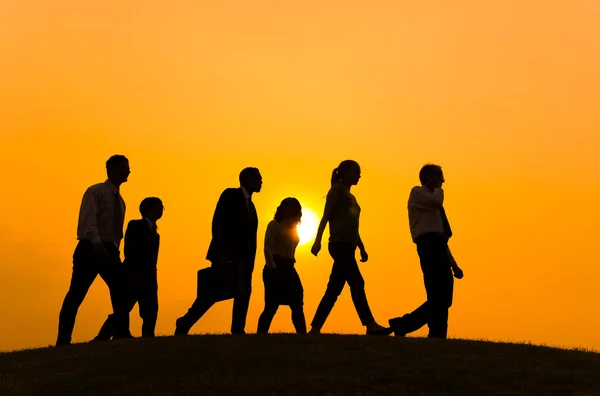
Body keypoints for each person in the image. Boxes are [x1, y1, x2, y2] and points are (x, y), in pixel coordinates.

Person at [175, 167, 262, 335]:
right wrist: (221, 253)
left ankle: (237, 329)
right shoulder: (231, 195)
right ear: (246, 179)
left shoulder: (251, 205)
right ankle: (186, 321)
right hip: (227, 255)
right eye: (258, 178)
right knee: (212, 293)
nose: (261, 182)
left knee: (243, 292)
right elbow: (218, 223)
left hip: (244, 259)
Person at [56, 155, 132, 346]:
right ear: (112, 170)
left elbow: (116, 231)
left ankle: (121, 332)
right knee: (76, 293)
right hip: (91, 247)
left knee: (121, 289)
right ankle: (63, 340)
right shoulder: (95, 191)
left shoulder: (120, 201)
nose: (128, 172)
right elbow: (89, 219)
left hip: (109, 247)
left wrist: (114, 249)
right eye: (124, 168)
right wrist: (97, 243)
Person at [310, 160, 392, 335]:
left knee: (334, 289)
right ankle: (370, 325)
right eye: (356, 172)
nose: (359, 176)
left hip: (349, 245)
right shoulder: (336, 191)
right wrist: (317, 241)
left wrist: (361, 247)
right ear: (345, 173)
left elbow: (353, 226)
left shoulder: (350, 196)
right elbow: (325, 216)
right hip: (339, 245)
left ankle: (315, 328)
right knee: (357, 282)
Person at [388, 164, 464, 339]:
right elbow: (436, 202)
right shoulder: (418, 193)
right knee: (438, 296)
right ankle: (404, 324)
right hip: (428, 246)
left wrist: (454, 265)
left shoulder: (434, 203)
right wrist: (438, 189)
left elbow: (442, 237)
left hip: (437, 246)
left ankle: (436, 334)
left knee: (442, 298)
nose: (442, 182)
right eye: (439, 177)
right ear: (427, 178)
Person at [94, 197, 164, 340]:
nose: (162, 210)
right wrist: (133, 273)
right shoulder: (135, 225)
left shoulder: (156, 234)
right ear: (152, 209)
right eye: (160, 206)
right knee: (123, 309)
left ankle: (148, 336)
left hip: (150, 278)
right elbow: (130, 251)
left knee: (150, 309)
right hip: (133, 276)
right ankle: (102, 337)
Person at [257, 198, 306, 334]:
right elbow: (267, 247)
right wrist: (271, 265)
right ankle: (260, 335)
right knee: (271, 305)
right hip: (275, 266)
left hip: (289, 267)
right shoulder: (274, 225)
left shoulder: (294, 228)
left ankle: (302, 334)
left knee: (297, 303)